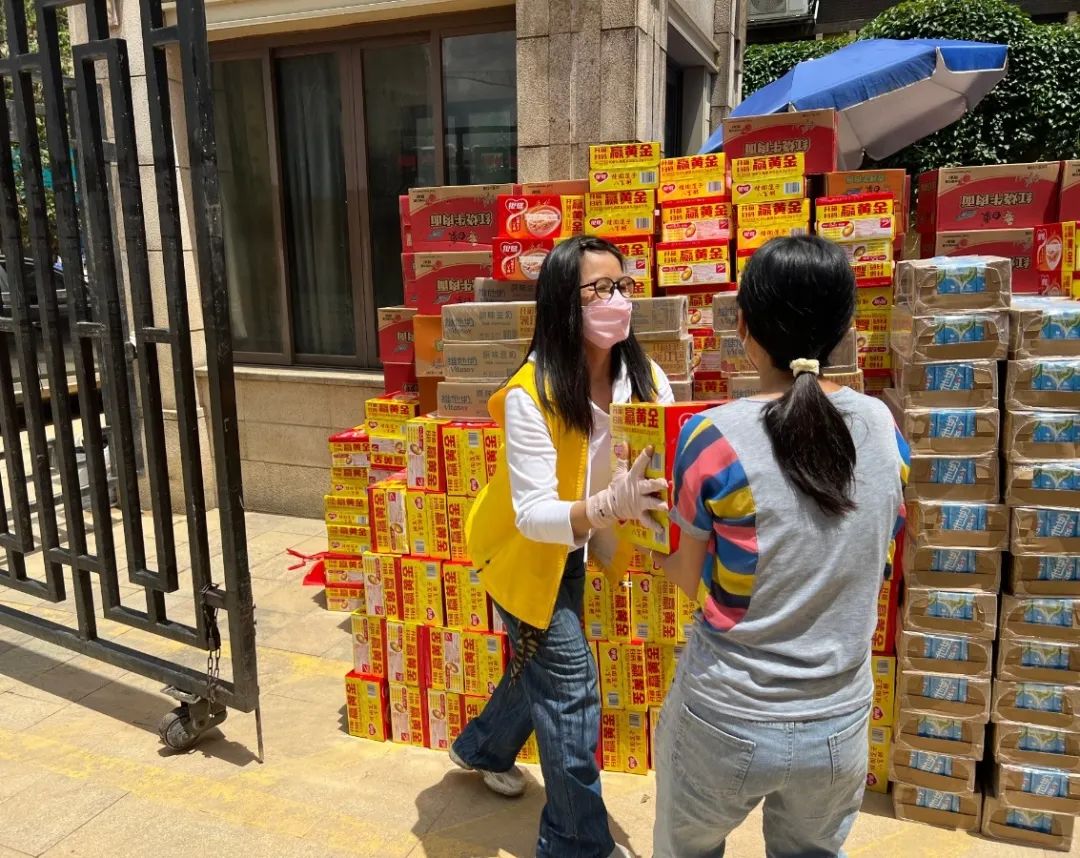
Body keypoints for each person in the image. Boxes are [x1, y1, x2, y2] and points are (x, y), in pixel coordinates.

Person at [651, 235, 910, 858]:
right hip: (838, 721)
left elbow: (689, 579)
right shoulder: (882, 426)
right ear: (844, 329)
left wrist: (644, 530)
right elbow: (883, 541)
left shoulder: (711, 435)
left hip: (727, 712)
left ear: (743, 325)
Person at [450, 236, 674, 858]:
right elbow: (532, 516)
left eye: (622, 285)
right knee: (571, 690)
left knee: (542, 672)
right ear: (561, 303)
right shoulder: (532, 394)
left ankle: (482, 747)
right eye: (598, 289)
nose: (616, 299)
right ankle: (574, 843)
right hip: (522, 554)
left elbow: (668, 459)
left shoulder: (646, 380)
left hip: (581, 547)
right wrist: (606, 506)